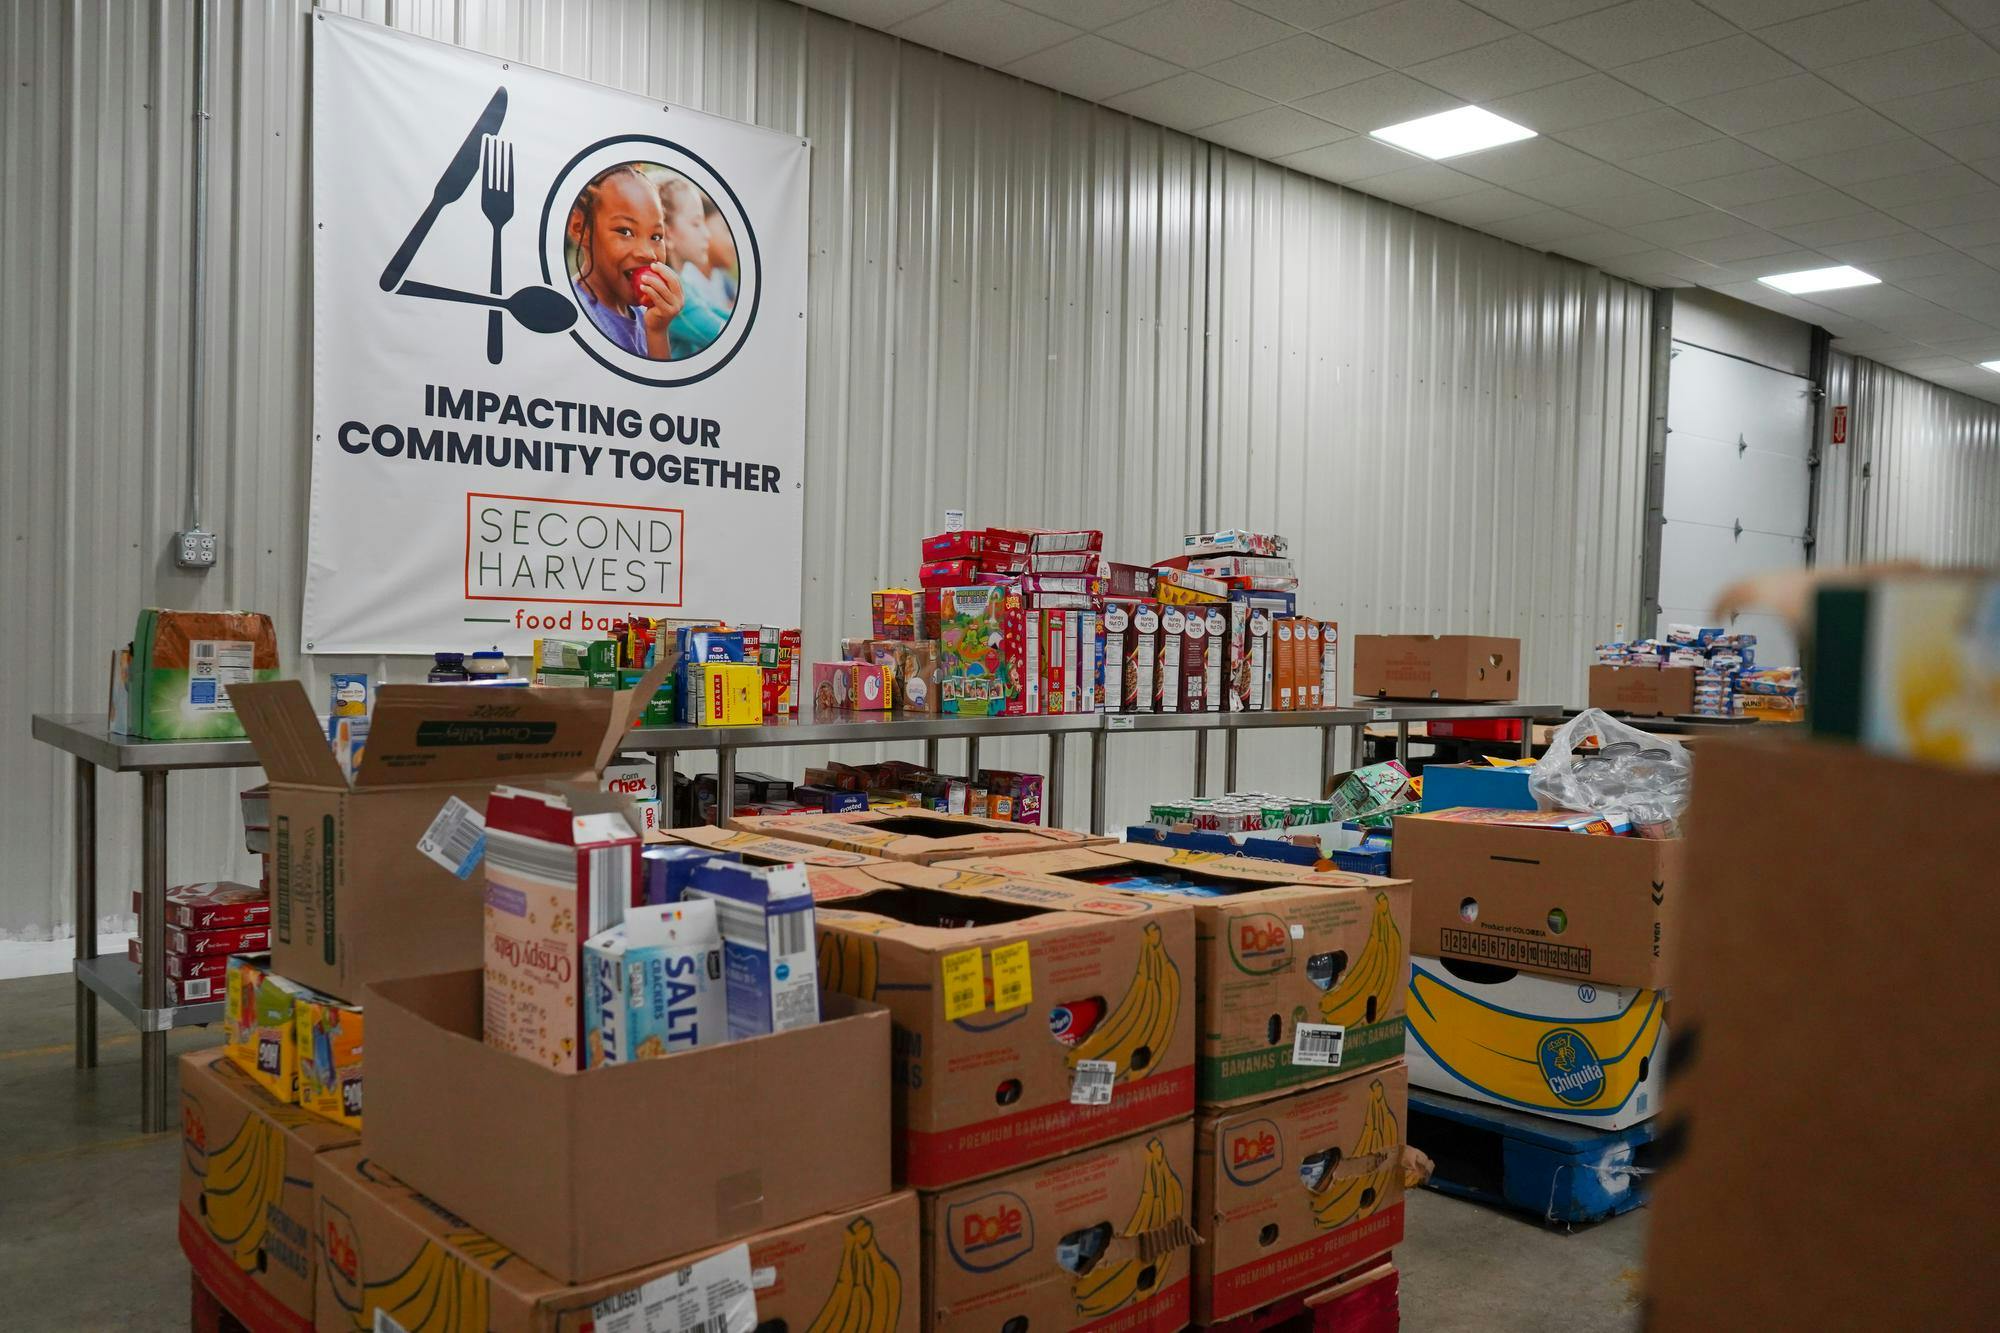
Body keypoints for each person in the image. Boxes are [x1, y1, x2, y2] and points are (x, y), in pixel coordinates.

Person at [565, 163, 684, 360]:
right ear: (580, 229)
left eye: (656, 236)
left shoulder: (644, 314)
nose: (647, 253)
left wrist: (657, 331)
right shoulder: (574, 316)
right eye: (625, 232)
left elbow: (660, 390)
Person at [659, 175, 732, 359]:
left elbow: (723, 317)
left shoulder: (683, 284)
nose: (707, 234)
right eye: (696, 223)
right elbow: (727, 337)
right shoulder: (668, 292)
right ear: (667, 234)